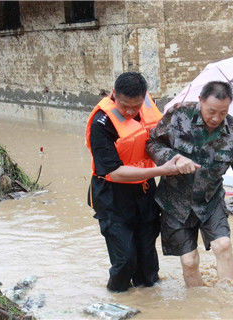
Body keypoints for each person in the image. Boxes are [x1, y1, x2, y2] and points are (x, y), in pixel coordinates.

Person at [145, 81, 233, 287]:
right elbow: (152, 143)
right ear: (200, 101)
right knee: (189, 261)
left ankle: (226, 300)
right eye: (211, 111)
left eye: (223, 113)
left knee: (223, 245)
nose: (216, 118)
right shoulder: (178, 115)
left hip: (210, 200)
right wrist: (175, 158)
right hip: (175, 202)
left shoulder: (232, 130)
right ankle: (197, 308)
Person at [85, 72, 180, 292]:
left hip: (144, 192)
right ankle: (117, 298)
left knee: (148, 266)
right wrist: (161, 170)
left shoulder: (149, 107)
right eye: (124, 106)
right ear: (113, 94)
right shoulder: (102, 122)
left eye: (135, 107)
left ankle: (149, 307)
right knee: (125, 260)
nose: (129, 112)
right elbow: (114, 172)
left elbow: (167, 139)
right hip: (112, 196)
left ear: (144, 98)